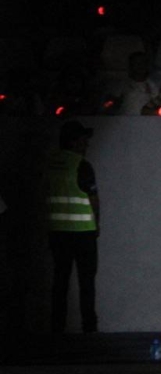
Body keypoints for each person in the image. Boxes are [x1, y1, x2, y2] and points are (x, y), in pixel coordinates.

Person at [46, 120, 100, 334]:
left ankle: (57, 328)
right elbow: (93, 199)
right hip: (83, 232)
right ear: (74, 142)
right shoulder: (81, 165)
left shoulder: (50, 163)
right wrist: (98, 223)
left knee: (60, 282)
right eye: (83, 139)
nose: (86, 144)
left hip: (57, 231)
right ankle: (89, 328)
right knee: (86, 283)